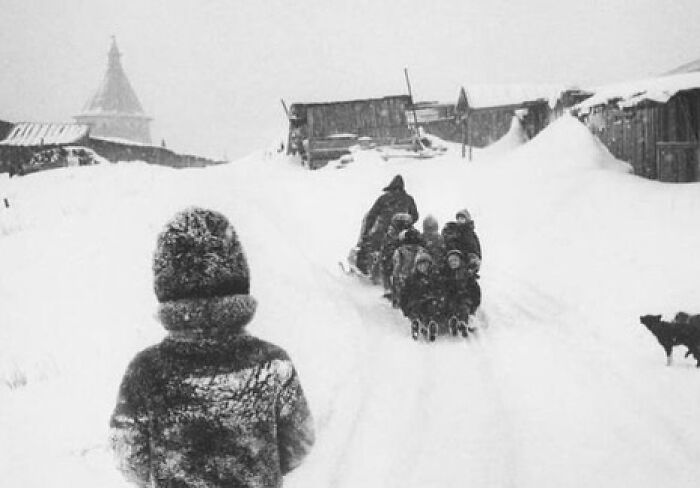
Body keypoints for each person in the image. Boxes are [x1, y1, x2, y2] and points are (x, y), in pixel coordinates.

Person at [109, 207, 315, 488]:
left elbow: (129, 457)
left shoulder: (146, 371)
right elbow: (299, 442)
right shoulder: (272, 364)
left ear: (164, 283)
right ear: (240, 276)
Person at [356, 175, 418, 273]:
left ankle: (363, 267)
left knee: (367, 245)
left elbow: (371, 215)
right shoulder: (409, 199)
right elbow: (415, 216)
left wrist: (366, 233)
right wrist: (406, 221)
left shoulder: (384, 198)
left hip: (382, 230)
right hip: (402, 232)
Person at [400, 250, 442, 339]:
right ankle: (416, 324)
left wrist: (438, 298)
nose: (423, 267)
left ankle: (431, 325)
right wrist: (404, 307)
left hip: (430, 300)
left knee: (432, 308)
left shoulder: (434, 277)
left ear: (429, 265)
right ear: (417, 266)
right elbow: (404, 294)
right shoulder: (411, 278)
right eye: (420, 265)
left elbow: (439, 290)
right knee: (415, 309)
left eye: (425, 265)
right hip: (415, 301)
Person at [439, 250, 481, 334]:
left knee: (463, 308)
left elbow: (475, 290)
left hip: (464, 297)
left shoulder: (466, 274)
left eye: (455, 260)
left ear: (460, 261)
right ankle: (452, 322)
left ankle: (463, 323)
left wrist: (474, 304)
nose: (453, 263)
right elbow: (443, 288)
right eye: (451, 261)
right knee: (450, 307)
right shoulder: (446, 275)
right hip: (451, 298)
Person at [390, 227, 427, 307]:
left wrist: (396, 277)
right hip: (417, 277)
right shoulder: (422, 250)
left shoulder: (399, 251)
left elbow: (397, 267)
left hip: (404, 277)